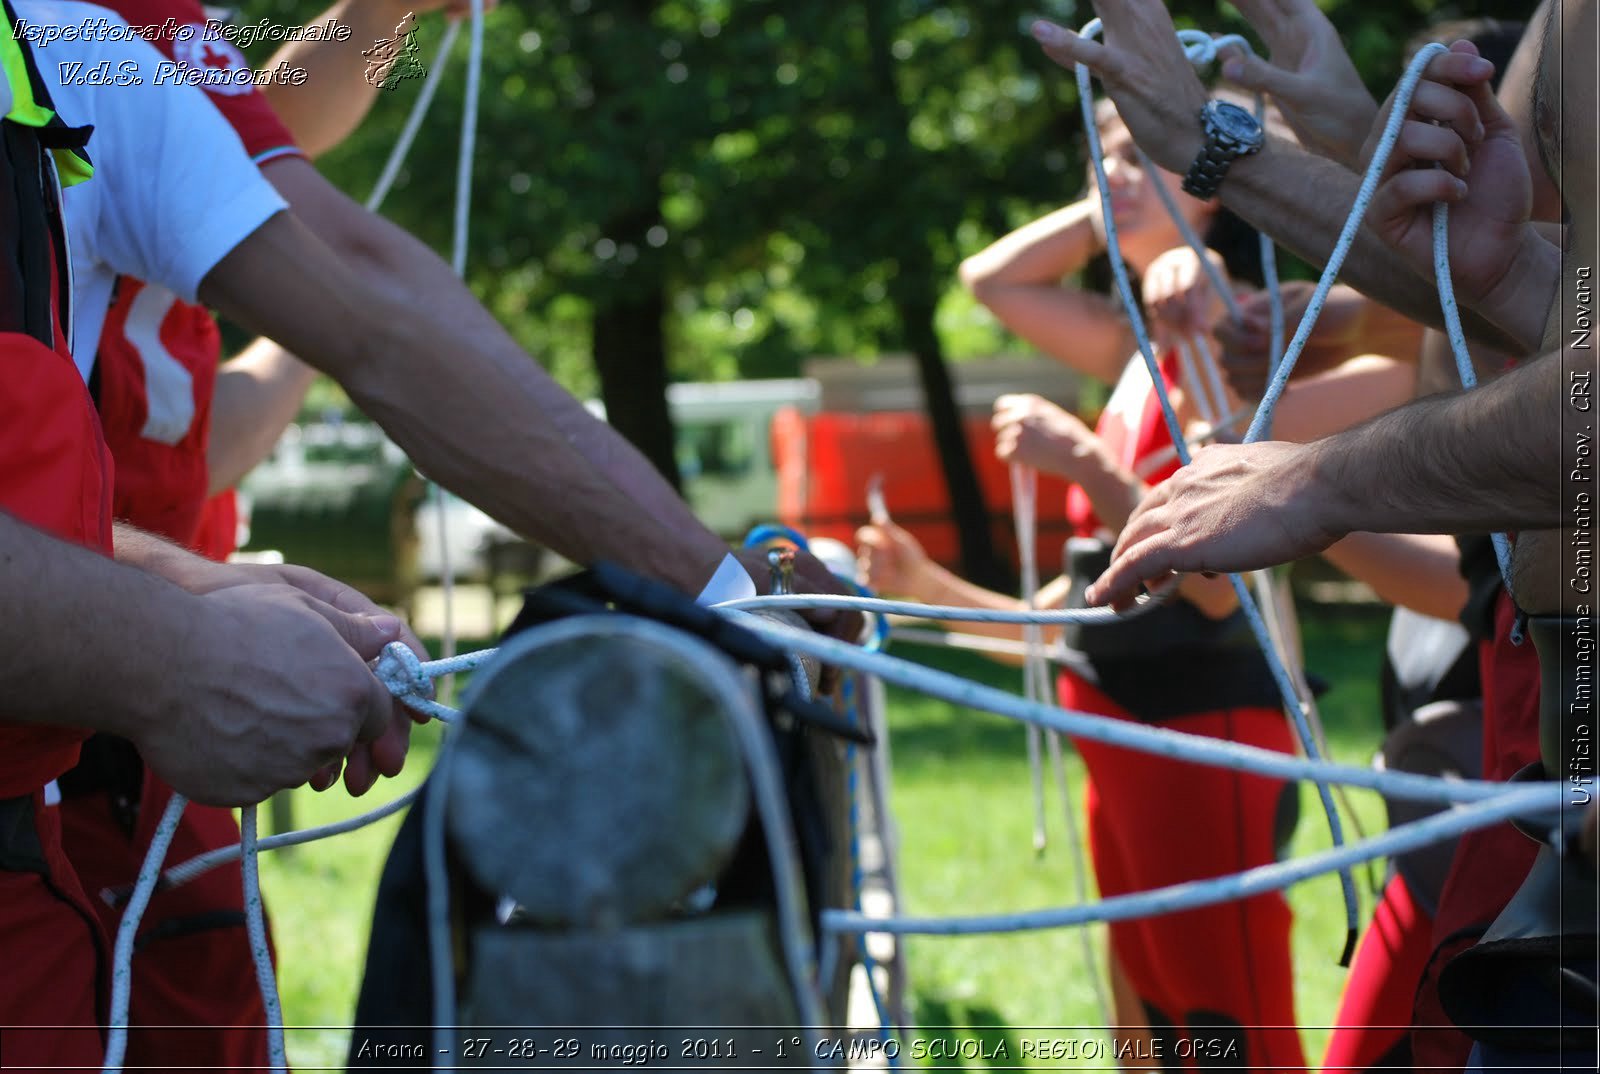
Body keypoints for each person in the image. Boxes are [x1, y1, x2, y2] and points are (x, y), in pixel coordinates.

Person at [1032, 0, 1593, 1067]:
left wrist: (1319, 483)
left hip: (1504, 735)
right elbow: (1545, 300)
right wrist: (1223, 145)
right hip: (1532, 739)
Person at [50, 2, 478, 1066]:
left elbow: (265, 120)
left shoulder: (144, 104)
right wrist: (327, 327)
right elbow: (177, 458)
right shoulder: (85, 41)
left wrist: (383, 16)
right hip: (101, 691)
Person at [861, 97, 1305, 1071]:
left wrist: (1088, 470)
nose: (1117, 173)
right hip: (1126, 745)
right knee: (1145, 1031)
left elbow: (1223, 592)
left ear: (1213, 181)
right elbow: (990, 279)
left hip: (1203, 746)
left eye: (1147, 158)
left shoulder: (1218, 327)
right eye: (1103, 157)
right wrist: (918, 583)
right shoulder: (1134, 352)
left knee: (1229, 1035)